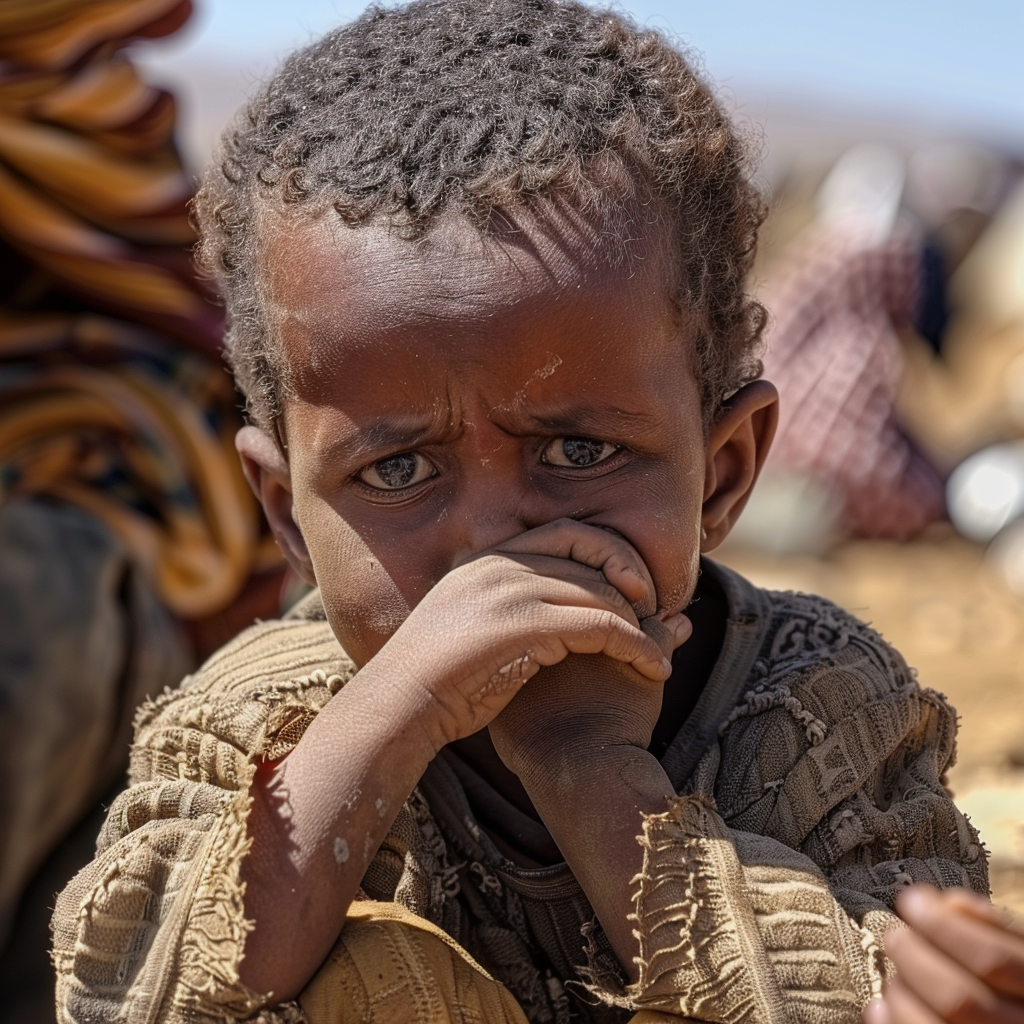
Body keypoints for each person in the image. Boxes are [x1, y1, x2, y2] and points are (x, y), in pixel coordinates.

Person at [51, 3, 1023, 1023]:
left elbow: (848, 998)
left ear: (722, 473)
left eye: (578, 452)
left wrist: (588, 768)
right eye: (397, 470)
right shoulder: (248, 721)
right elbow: (131, 995)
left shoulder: (816, 707)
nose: (491, 541)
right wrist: (390, 717)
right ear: (288, 515)